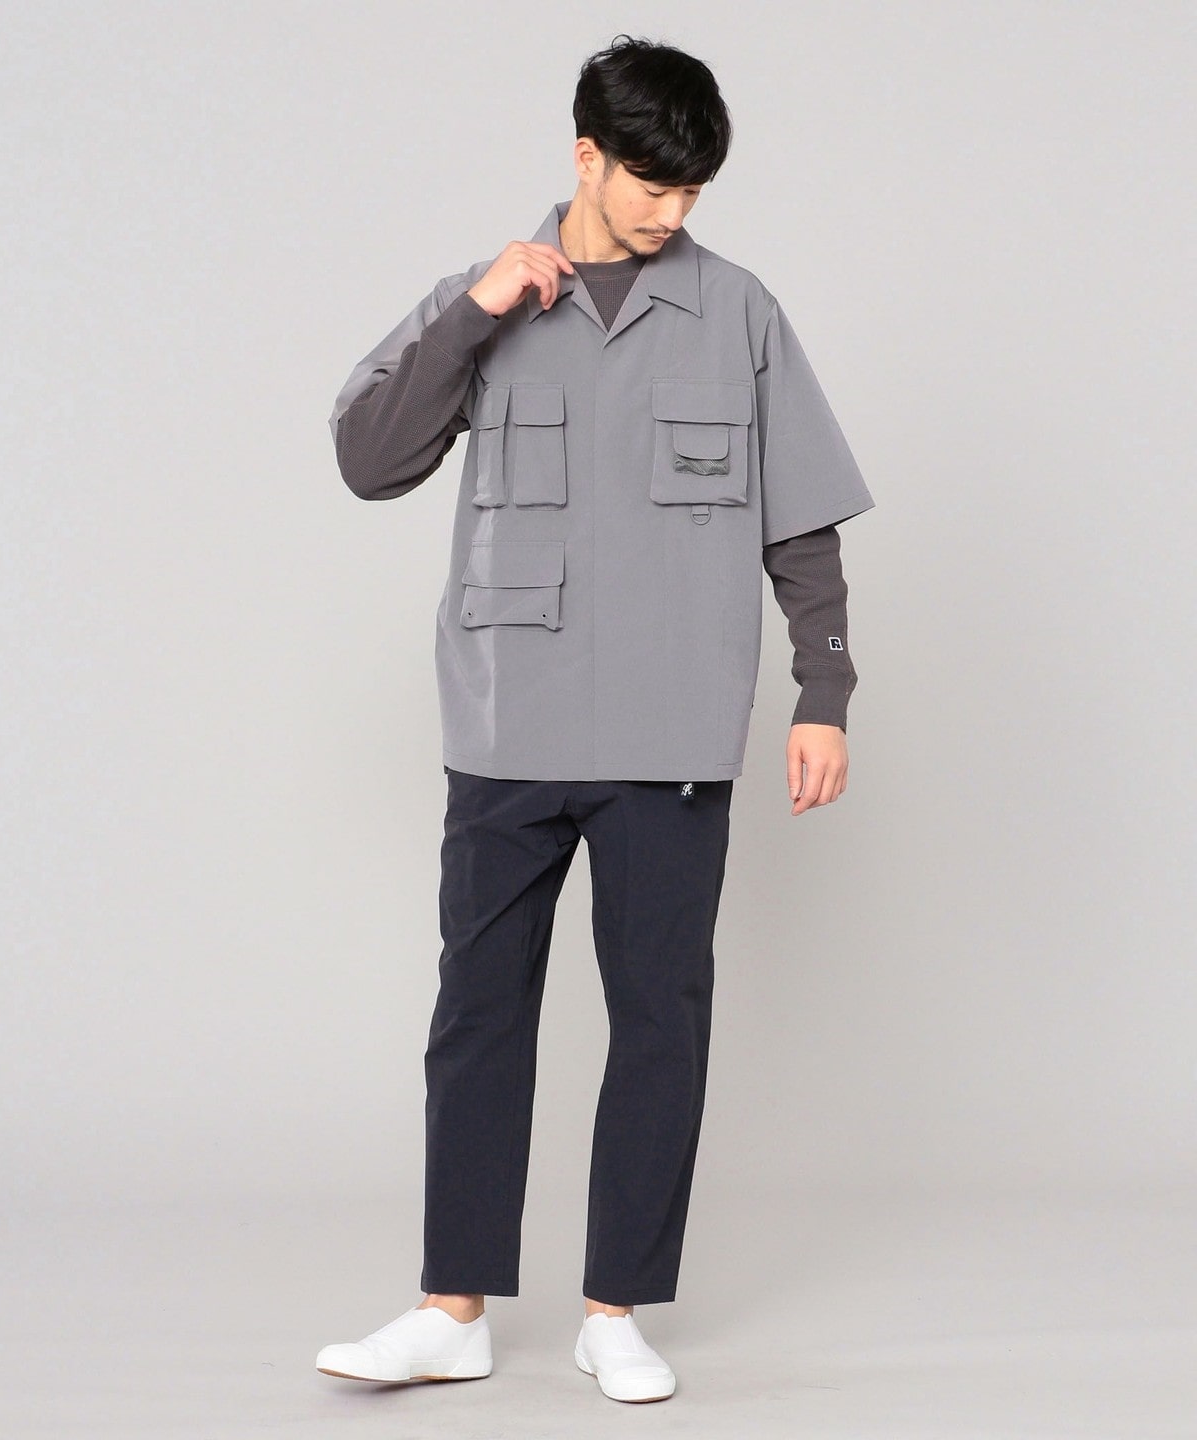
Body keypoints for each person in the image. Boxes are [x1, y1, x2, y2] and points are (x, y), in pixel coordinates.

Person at [315, 34, 875, 1405]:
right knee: (478, 1017)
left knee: (660, 1022)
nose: (670, 211)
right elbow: (369, 461)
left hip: (672, 734)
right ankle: (451, 1309)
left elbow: (801, 521)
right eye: (649, 183)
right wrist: (473, 315)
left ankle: (615, 1311)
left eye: (691, 191)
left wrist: (824, 693)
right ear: (585, 156)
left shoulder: (738, 312)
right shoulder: (486, 297)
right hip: (508, 724)